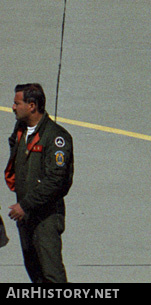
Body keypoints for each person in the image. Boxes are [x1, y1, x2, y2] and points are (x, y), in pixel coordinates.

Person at [5, 83, 73, 283]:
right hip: (26, 216)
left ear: (32, 105)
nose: (13, 107)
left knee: (52, 274)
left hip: (46, 217)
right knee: (34, 271)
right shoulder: (21, 130)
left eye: (17, 103)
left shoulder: (56, 138)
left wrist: (25, 205)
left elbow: (56, 181)